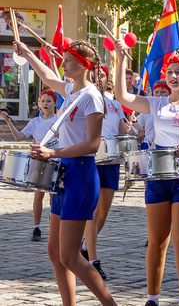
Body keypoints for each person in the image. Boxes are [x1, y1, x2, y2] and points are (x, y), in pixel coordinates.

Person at [13, 39, 116, 305]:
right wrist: (26, 52)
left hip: (80, 172)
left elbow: (93, 145)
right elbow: (46, 74)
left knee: (70, 255)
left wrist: (53, 153)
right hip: (64, 172)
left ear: (83, 66)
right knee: (54, 251)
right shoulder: (71, 89)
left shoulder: (92, 96)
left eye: (68, 61)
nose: (63, 64)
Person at [114, 41, 179, 306]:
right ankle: (152, 298)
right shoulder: (157, 103)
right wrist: (120, 59)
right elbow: (122, 97)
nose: (172, 76)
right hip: (158, 174)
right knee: (157, 240)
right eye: (169, 72)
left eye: (178, 72)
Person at [80, 65, 128, 280]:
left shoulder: (115, 104)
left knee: (103, 214)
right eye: (95, 74)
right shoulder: (85, 98)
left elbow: (122, 132)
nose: (99, 77)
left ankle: (83, 245)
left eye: (102, 74)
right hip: (91, 158)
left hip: (111, 160)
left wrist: (134, 133)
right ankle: (93, 259)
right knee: (93, 211)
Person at [1, 90, 58, 242]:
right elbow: (19, 137)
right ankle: (37, 227)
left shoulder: (60, 121)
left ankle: (54, 228)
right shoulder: (35, 122)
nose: (45, 104)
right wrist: (8, 122)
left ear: (55, 103)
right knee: (38, 195)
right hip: (39, 161)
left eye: (49, 101)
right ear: (39, 103)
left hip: (55, 160)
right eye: (43, 101)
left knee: (55, 198)